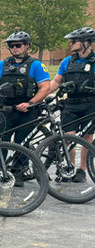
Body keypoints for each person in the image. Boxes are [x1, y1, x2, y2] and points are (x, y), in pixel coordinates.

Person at [0, 31, 51, 185]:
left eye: (18, 45)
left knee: (23, 144)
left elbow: (45, 88)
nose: (15, 48)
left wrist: (31, 103)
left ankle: (18, 172)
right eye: (11, 46)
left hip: (26, 112)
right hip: (4, 112)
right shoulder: (1, 65)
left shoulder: (35, 65)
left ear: (27, 46)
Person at [49, 26, 95, 180]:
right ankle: (70, 168)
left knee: (87, 138)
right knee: (68, 138)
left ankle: (82, 169)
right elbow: (56, 81)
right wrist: (39, 96)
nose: (71, 44)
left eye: (74, 41)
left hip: (90, 104)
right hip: (71, 104)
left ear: (86, 43)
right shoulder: (67, 61)